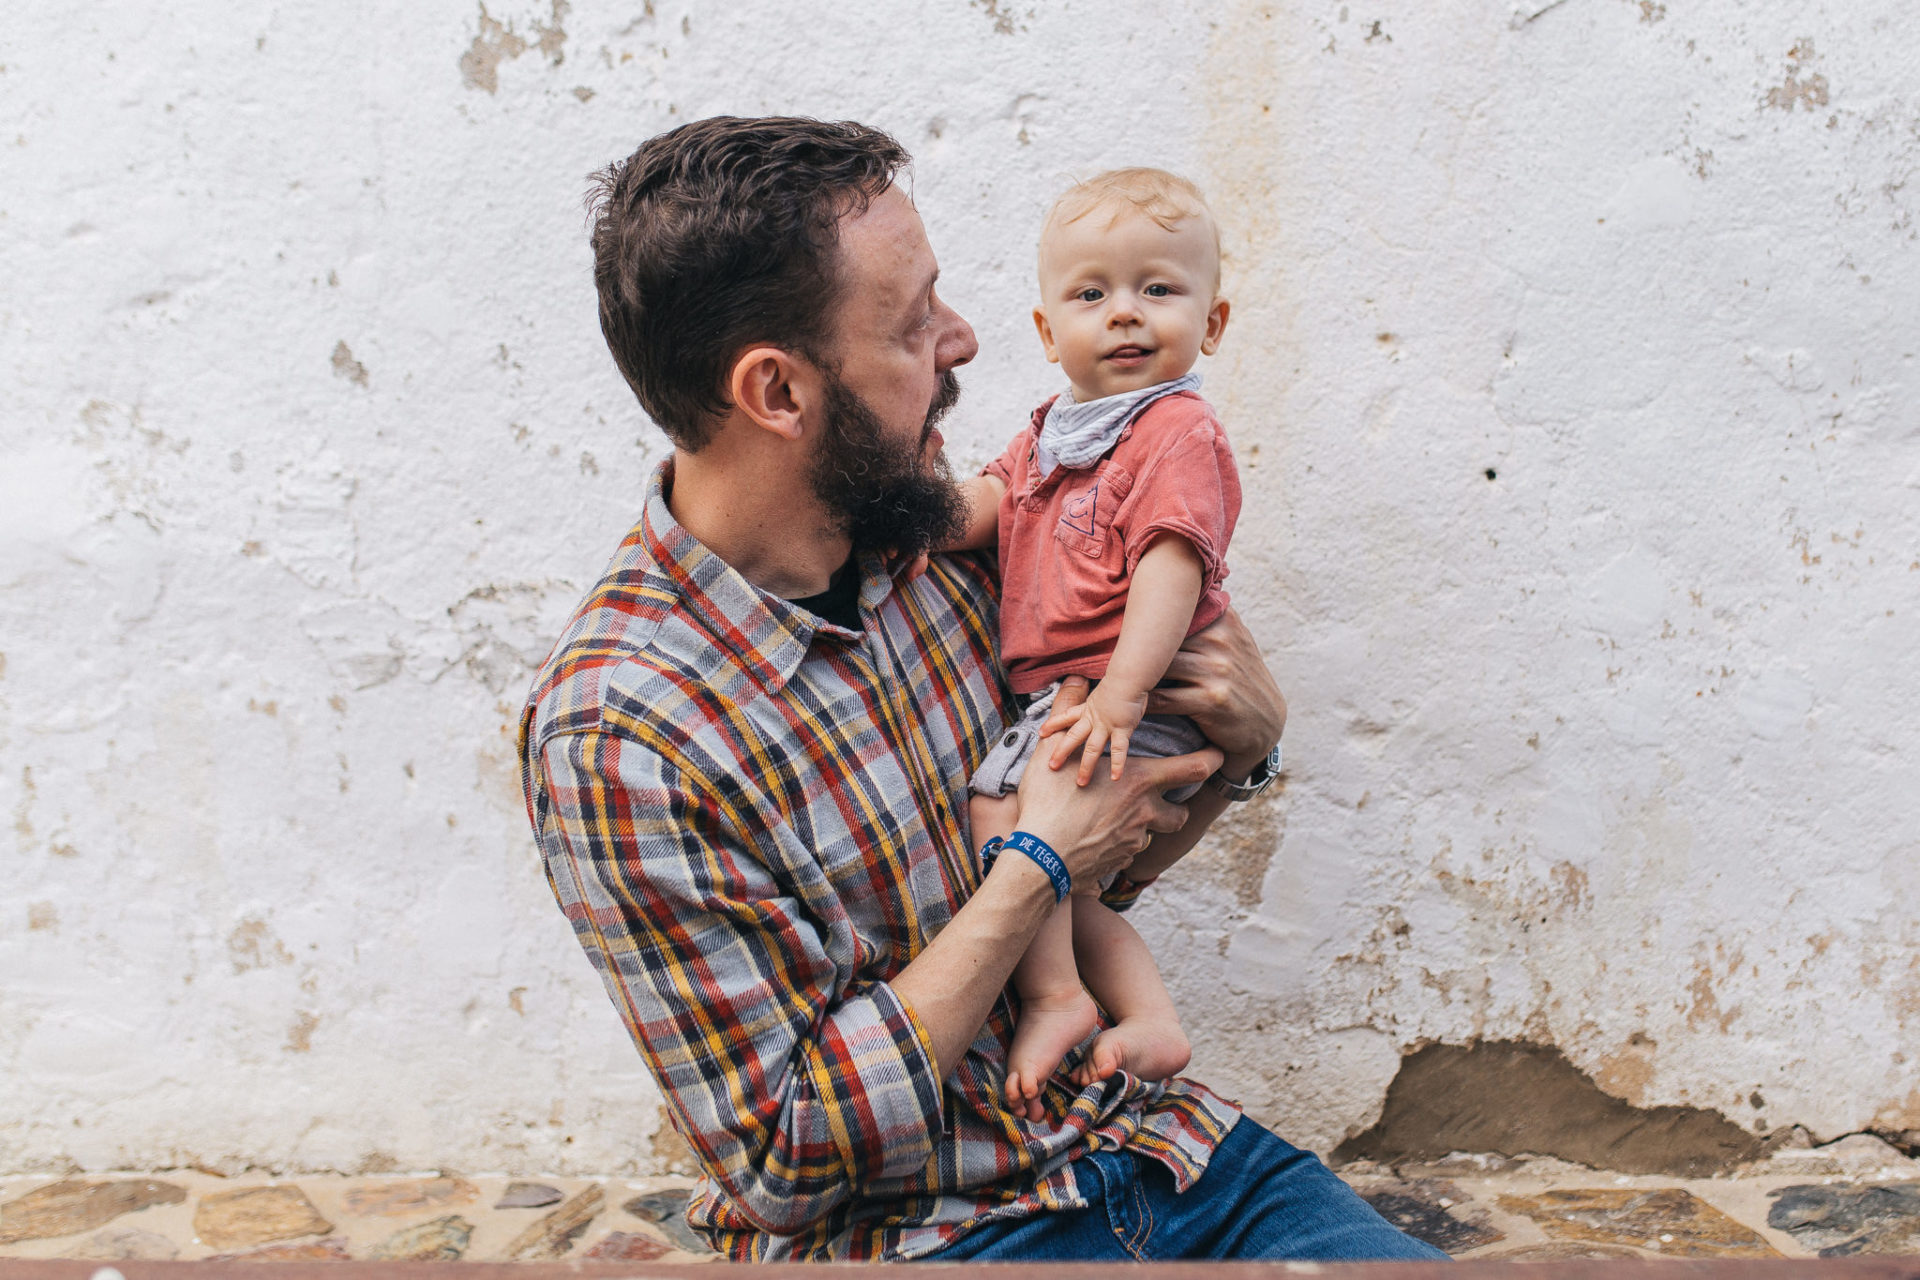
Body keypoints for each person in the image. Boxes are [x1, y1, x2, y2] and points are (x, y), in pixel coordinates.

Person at [518, 115, 1447, 1264]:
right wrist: (1032, 867)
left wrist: (1241, 754)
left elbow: (1111, 876)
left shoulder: (945, 549)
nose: (961, 339)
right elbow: (786, 1156)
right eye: (912, 323)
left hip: (1160, 1152)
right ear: (777, 390)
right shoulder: (627, 731)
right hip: (931, 1231)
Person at [943, 168, 1240, 1116]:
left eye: (1158, 289)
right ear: (1046, 333)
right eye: (1091, 294)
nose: (1124, 314)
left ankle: (1060, 996)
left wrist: (1120, 694)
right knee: (1039, 863)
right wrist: (914, 515)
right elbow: (989, 504)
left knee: (1022, 834)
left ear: (1213, 322)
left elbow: (1169, 567)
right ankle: (1134, 1014)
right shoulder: (1054, 433)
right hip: (1068, 701)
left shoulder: (1174, 430)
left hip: (1129, 701)